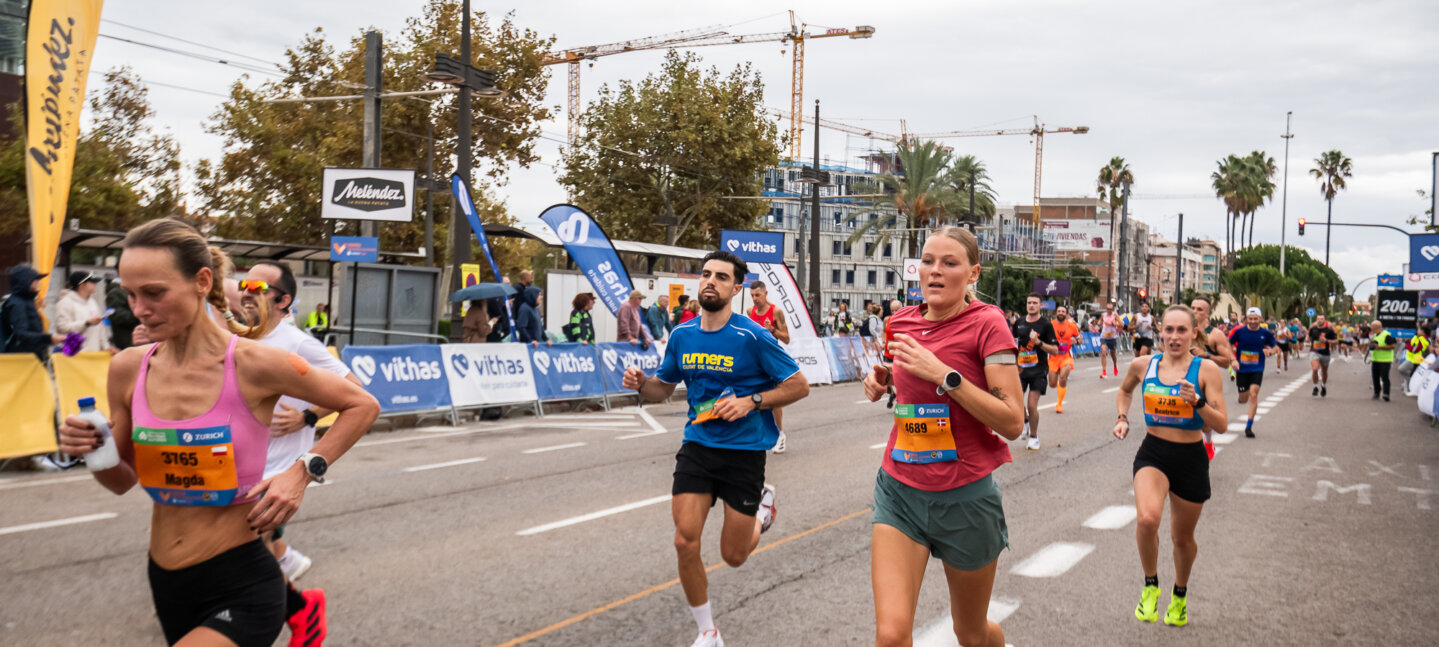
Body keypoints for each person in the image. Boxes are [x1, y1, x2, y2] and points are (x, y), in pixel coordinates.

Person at [56, 217, 378, 647]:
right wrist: (92, 451)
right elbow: (121, 482)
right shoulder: (128, 368)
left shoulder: (255, 362)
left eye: (154, 292)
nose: (139, 308)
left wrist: (302, 472)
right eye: (131, 294)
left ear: (201, 281)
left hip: (241, 580)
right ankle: (303, 609)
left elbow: (362, 403)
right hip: (166, 580)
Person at [621, 250, 809, 647]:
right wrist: (641, 383)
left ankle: (763, 510)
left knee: (734, 556)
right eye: (706, 274)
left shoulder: (752, 336)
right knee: (684, 540)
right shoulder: (682, 335)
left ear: (736, 288)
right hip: (698, 445)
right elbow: (662, 389)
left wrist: (750, 402)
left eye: (721, 277)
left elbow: (798, 385)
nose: (710, 281)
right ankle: (708, 631)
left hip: (743, 453)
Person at [860, 226, 1024, 647]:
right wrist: (884, 381)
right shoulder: (900, 323)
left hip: (965, 498)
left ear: (972, 274)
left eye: (949, 263)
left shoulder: (988, 323)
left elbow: (1011, 421)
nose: (934, 271)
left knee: (970, 633)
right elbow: (909, 386)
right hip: (900, 491)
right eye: (928, 261)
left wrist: (944, 376)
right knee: (891, 636)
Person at [242, 260, 364, 644]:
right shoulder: (241, 336)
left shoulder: (297, 344)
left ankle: (298, 609)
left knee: (244, 557)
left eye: (258, 289)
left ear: (284, 301)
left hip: (276, 470)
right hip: (238, 465)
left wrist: (308, 416)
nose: (247, 292)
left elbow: (357, 391)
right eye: (245, 284)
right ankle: (287, 565)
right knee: (245, 555)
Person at [1113, 304, 1228, 628]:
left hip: (1191, 457)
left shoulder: (1206, 370)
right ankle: (1150, 586)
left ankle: (1179, 594)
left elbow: (1220, 424)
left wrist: (1198, 402)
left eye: (1181, 330)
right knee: (1148, 518)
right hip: (1154, 453)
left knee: (1182, 539)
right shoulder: (1142, 365)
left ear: (1194, 333)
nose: (1174, 337)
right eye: (1168, 330)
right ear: (1159, 331)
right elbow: (1124, 391)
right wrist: (1122, 417)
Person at [748, 281, 791, 454]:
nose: (755, 299)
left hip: (770, 359)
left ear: (765, 294)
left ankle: (779, 434)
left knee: (773, 399)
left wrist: (772, 329)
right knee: (751, 397)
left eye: (757, 295)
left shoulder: (776, 312)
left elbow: (786, 338)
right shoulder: (749, 312)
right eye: (752, 296)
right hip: (753, 359)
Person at [1012, 293, 1058, 450]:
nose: (1031, 305)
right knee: (1016, 401)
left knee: (1032, 405)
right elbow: (1013, 345)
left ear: (1040, 305)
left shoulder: (1045, 325)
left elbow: (1055, 350)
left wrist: (1038, 342)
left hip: (1038, 370)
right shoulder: (1019, 323)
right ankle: (1025, 421)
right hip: (1020, 370)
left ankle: (1034, 436)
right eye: (1029, 302)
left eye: (1034, 303)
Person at [1228, 307, 1278, 438]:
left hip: (1257, 368)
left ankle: (1249, 427)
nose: (1253, 321)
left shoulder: (1265, 333)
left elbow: (1275, 347)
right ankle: (1241, 397)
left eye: (1256, 319)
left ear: (1260, 319)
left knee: (1254, 395)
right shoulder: (1239, 332)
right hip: (1242, 369)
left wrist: (1270, 352)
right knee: (1244, 399)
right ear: (1246, 319)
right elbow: (1228, 344)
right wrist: (1233, 359)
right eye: (1250, 319)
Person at [3, 263, 67, 359]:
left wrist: (49, 340)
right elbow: (22, 334)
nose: (38, 282)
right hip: (21, 358)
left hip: (31, 356)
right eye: (35, 279)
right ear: (25, 281)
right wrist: (49, 338)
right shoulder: (17, 303)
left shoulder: (26, 300)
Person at [54, 270, 111, 353]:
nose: (95, 284)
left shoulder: (92, 302)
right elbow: (62, 328)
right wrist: (86, 323)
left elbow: (100, 327)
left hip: (93, 354)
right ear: (82, 285)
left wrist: (106, 347)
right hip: (74, 356)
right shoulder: (65, 302)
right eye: (92, 282)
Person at [1048, 305, 1081, 414]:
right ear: (1056, 313)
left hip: (1066, 356)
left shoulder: (1071, 326)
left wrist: (1077, 341)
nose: (1061, 313)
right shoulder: (1050, 325)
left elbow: (1078, 339)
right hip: (1053, 357)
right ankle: (1058, 385)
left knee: (1063, 377)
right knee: (1052, 384)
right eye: (1059, 311)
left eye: (1063, 311)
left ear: (1066, 314)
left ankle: (1059, 404)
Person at [1189, 298, 1235, 371]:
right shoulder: (1181, 331)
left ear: (1207, 314)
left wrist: (1206, 355)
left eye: (1199, 309)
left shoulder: (1216, 334)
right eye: (1193, 308)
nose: (1195, 311)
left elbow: (1226, 362)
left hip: (1206, 378)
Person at [107, 276, 141, 350]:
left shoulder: (135, 290)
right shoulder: (116, 293)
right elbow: (117, 316)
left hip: (140, 340)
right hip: (126, 341)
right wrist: (139, 315)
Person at [1308, 315, 1339, 397]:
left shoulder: (1329, 331)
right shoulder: (1313, 329)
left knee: (1324, 371)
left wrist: (1327, 340)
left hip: (1325, 353)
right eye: (1318, 319)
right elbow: (1308, 337)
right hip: (1314, 351)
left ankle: (1323, 386)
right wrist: (1307, 339)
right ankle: (1315, 387)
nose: (1320, 320)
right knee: (1315, 369)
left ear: (1325, 321)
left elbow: (1336, 341)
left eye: (1321, 319)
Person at [1369, 320, 1396, 401]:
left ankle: (1386, 393)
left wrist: (1379, 347)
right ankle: (1376, 392)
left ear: (1376, 327)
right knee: (1375, 377)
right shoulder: (1375, 335)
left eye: (1372, 327)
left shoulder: (1387, 335)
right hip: (1376, 359)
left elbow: (1392, 346)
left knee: (1384, 377)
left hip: (1385, 360)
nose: (1371, 328)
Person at [1099, 301, 1122, 378]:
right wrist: (1097, 323)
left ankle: (1115, 365)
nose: (1109, 310)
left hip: (1112, 337)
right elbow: (1100, 322)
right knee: (1103, 352)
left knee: (1113, 354)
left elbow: (1122, 324)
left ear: (1112, 309)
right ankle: (1104, 371)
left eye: (1110, 309)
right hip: (1104, 336)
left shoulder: (1115, 315)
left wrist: (1113, 324)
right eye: (1108, 309)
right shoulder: (1103, 315)